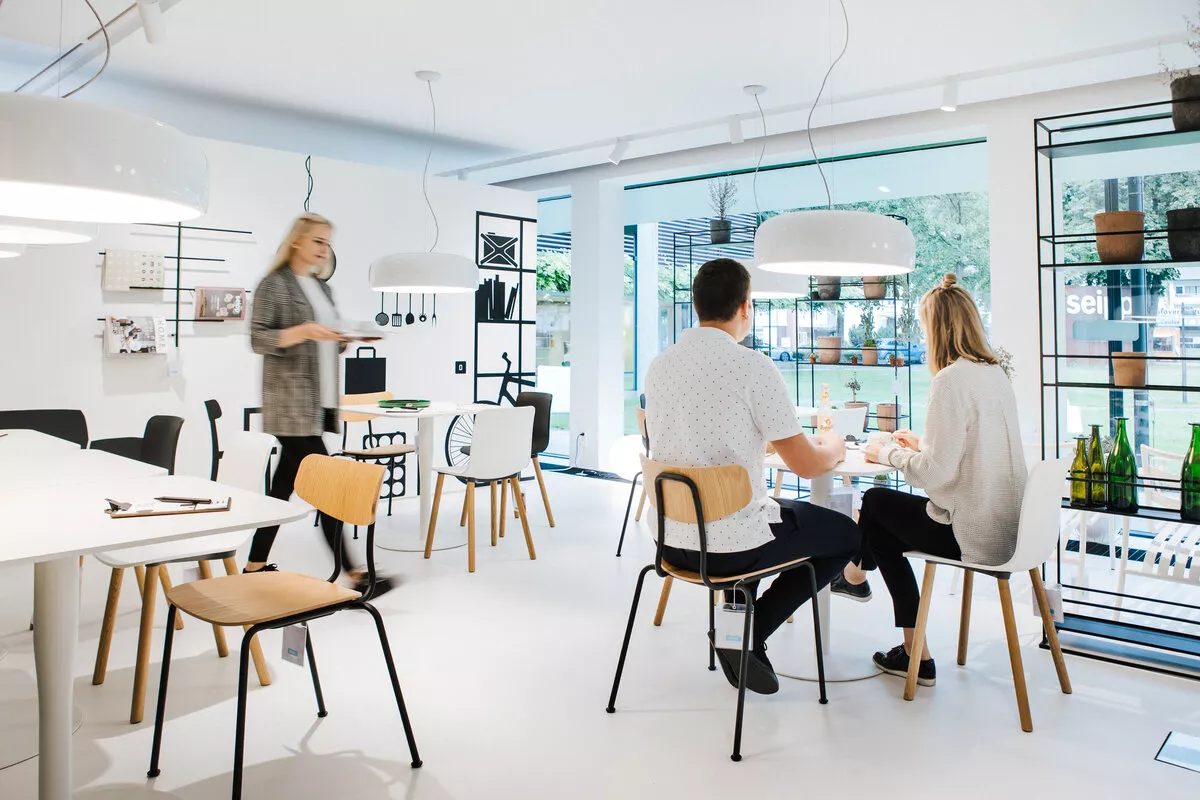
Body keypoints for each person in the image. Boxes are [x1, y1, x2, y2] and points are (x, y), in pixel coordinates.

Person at [645, 257, 857, 695]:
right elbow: (805, 465)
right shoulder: (753, 367)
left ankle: (734, 632)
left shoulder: (659, 366)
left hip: (673, 541)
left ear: (696, 306)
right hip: (731, 550)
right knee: (846, 537)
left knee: (757, 517)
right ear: (746, 307)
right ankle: (745, 632)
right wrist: (835, 446)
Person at [831, 273, 1026, 687]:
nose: (923, 338)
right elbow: (972, 453)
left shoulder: (950, 380)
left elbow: (933, 476)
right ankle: (866, 590)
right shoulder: (993, 375)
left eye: (923, 328)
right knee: (881, 525)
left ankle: (857, 577)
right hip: (1009, 529)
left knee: (877, 503)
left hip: (972, 533)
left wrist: (884, 452)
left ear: (937, 329)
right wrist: (921, 444)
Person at [245, 212, 392, 596]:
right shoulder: (274, 286)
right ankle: (355, 574)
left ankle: (254, 565)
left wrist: (348, 338)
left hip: (319, 400)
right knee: (327, 482)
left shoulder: (322, 289)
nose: (324, 249)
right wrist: (303, 331)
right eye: (318, 242)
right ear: (297, 240)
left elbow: (329, 337)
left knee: (282, 486)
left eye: (327, 243)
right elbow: (259, 340)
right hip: (289, 401)